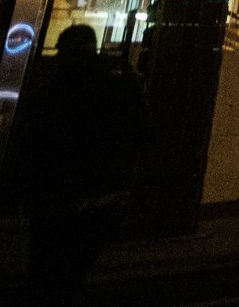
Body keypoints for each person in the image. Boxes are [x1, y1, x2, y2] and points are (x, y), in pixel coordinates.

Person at [21, 24, 148, 298]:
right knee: (73, 270)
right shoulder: (121, 82)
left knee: (48, 273)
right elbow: (141, 130)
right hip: (106, 193)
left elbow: (34, 140)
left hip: (59, 196)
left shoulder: (54, 91)